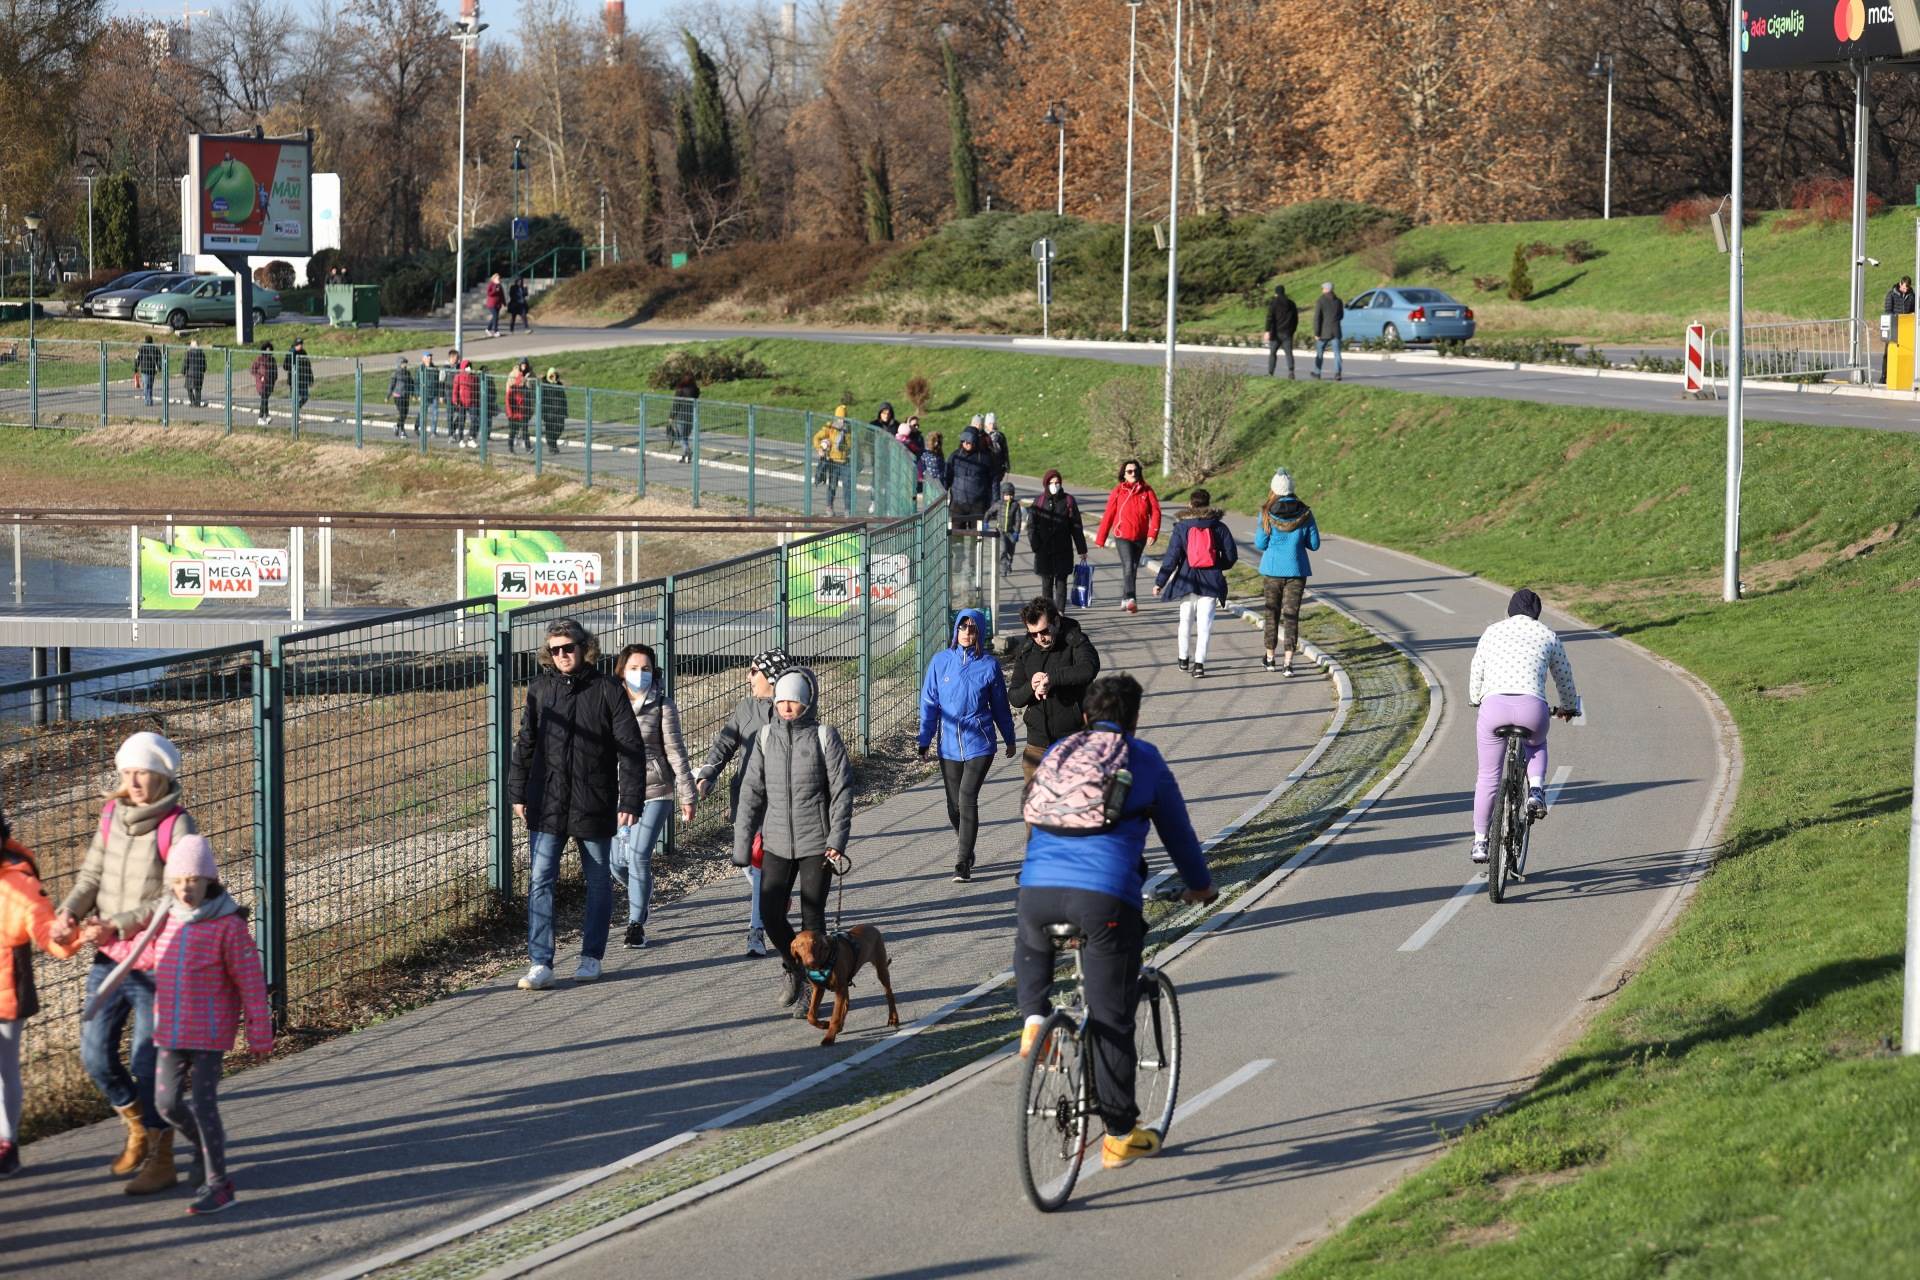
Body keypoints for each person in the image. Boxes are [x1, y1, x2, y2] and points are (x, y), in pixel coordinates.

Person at [1013, 674, 1216, 1169]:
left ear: (1086, 716)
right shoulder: (1142, 757)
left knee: (1033, 942)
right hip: (1103, 898)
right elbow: (1179, 834)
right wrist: (1200, 886)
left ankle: (1034, 1021)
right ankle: (1120, 1135)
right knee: (1111, 1017)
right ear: (1134, 719)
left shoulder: (1058, 751)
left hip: (1035, 890)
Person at [49, 731, 198, 1194]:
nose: (132, 781)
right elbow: (92, 874)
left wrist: (116, 923)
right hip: (110, 958)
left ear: (163, 775)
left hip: (157, 959)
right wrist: (69, 912)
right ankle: (137, 1126)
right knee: (94, 1054)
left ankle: (162, 1157)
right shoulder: (112, 814)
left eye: (142, 773)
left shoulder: (178, 826)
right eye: (127, 772)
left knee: (146, 1061)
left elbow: (174, 895)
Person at [507, 620, 647, 990]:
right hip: (547, 801)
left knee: (598, 881)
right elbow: (526, 743)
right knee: (540, 879)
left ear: (585, 648)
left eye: (568, 647)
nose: (562, 655)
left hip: (594, 801)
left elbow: (631, 748)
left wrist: (631, 799)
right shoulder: (539, 690)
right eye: (555, 649)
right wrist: (517, 792)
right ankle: (540, 962)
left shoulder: (608, 690)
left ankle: (591, 956)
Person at [147, 834, 272, 1214]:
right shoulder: (165, 918)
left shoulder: (228, 926)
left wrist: (259, 1032)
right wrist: (104, 938)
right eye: (178, 881)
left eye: (194, 880)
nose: (186, 889)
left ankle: (220, 1185)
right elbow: (142, 956)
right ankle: (204, 1147)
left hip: (209, 1034)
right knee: (166, 1104)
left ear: (209, 881)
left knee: (204, 1106)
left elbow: (250, 982)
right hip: (170, 1031)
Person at [731, 667, 854, 1010]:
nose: (786, 707)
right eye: (781, 700)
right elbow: (751, 792)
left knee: (813, 920)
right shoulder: (765, 738)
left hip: (817, 842)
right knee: (770, 913)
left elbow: (842, 790)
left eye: (794, 701)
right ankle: (794, 968)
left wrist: (837, 839)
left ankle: (813, 990)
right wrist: (742, 843)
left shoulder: (824, 737)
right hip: (776, 842)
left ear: (807, 702)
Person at [1466, 589, 1581, 866]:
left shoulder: (1492, 632)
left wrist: (1475, 698)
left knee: (1488, 776)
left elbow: (1477, 669)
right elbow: (1564, 677)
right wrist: (1568, 707)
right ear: (1537, 613)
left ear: (1509, 610)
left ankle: (1480, 842)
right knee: (1536, 743)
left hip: (1494, 708)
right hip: (1532, 709)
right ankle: (1536, 791)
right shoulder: (1548, 635)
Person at [1, 804, 83, 1179]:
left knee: (3, 1069)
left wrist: (63, 938)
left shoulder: (18, 881)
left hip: (6, 988)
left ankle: (7, 1143)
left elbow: (42, 924)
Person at [696, 649, 795, 956]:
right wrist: (709, 773)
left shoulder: (791, 710)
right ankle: (774, 900)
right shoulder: (746, 708)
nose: (748, 677)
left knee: (762, 866)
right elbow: (724, 743)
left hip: (780, 803)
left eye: (754, 671)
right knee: (750, 866)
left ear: (772, 677)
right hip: (746, 799)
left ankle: (756, 931)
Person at [917, 609, 1018, 882]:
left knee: (967, 796)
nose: (966, 633)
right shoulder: (940, 662)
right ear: (956, 630)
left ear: (979, 632)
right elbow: (929, 704)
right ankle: (967, 844)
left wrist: (1009, 737)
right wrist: (924, 739)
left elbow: (1000, 706)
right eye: (963, 627)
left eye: (972, 628)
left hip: (980, 743)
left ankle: (962, 862)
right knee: (954, 807)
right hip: (948, 744)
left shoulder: (989, 665)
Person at [611, 645, 696, 949]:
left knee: (638, 856)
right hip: (618, 794)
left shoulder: (662, 704)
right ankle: (643, 890)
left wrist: (687, 793)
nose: (640, 674)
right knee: (617, 864)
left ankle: (635, 924)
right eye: (634, 668)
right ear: (622, 671)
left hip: (656, 791)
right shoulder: (609, 702)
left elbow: (676, 751)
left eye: (646, 668)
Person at [1007, 597, 1101, 805]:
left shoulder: (1074, 639)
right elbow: (1014, 697)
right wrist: (1031, 686)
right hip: (1037, 745)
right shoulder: (1027, 649)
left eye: (1044, 631)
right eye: (1033, 634)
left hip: (1072, 742)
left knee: (1074, 810)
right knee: (1036, 811)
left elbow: (1089, 668)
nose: (1040, 638)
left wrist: (1053, 679)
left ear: (1056, 621)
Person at [1153, 487, 1238, 678]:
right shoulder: (1219, 527)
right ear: (1208, 505)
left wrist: (1160, 582)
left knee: (1185, 621)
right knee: (1204, 625)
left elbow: (1172, 557)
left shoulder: (1182, 527)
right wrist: (1218, 565)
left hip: (1186, 581)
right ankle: (1199, 665)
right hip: (1211, 581)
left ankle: (1183, 658)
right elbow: (1231, 555)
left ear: (1190, 505)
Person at [1253, 469, 1320, 675]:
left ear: (1274, 489)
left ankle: (1270, 658)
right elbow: (1314, 544)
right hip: (1296, 571)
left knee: (1271, 613)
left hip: (1272, 570)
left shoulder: (1266, 512)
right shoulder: (1306, 513)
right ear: (1292, 488)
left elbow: (1260, 543)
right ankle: (1288, 663)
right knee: (1291, 615)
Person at [1093, 459, 1162, 613]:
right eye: (1129, 471)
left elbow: (1156, 512)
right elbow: (1109, 514)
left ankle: (1125, 599)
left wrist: (1153, 533)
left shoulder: (1147, 490)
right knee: (1129, 565)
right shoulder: (1118, 491)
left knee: (1132, 567)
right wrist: (1101, 538)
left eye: (1136, 471)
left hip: (1140, 536)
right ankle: (1131, 598)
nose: (1133, 474)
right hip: (1122, 535)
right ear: (1124, 474)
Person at [1028, 469, 1088, 612]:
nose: (1054, 485)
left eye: (1057, 483)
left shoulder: (1068, 501)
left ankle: (1060, 613)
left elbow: (1076, 526)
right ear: (1046, 484)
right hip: (1044, 550)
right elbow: (1031, 526)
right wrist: (1036, 546)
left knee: (1061, 583)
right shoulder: (1039, 501)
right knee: (1046, 584)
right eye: (1051, 483)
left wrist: (1082, 549)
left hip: (1063, 550)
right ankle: (1048, 614)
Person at [942, 426, 997, 527]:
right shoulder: (955, 456)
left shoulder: (985, 458)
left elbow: (993, 481)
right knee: (956, 534)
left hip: (978, 505)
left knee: (977, 535)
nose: (966, 443)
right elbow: (947, 477)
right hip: (957, 504)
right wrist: (941, 496)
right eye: (964, 441)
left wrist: (995, 502)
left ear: (975, 441)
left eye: (969, 441)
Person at [812, 407, 855, 516]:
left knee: (848, 486)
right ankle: (829, 507)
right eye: (839, 418)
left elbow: (854, 444)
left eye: (843, 418)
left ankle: (848, 510)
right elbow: (816, 437)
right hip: (833, 462)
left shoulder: (850, 429)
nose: (841, 421)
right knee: (832, 485)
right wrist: (819, 448)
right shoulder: (830, 427)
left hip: (846, 462)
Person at [1263, 283, 1300, 379]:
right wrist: (1292, 330)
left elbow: (1269, 317)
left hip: (1275, 332)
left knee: (1272, 353)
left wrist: (1267, 331)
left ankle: (1270, 372)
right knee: (1288, 353)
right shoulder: (1291, 304)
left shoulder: (1273, 303)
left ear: (1276, 293)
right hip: (1287, 332)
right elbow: (1295, 319)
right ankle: (1291, 372)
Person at [1884, 275, 1915, 384]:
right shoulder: (1891, 294)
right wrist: (1897, 318)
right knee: (1888, 352)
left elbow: (1913, 309)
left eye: (1907, 288)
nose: (1906, 290)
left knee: (1905, 352)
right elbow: (1888, 311)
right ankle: (1884, 376)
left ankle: (1904, 376)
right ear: (1900, 284)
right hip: (1894, 327)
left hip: (1906, 329)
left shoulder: (1912, 295)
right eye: (1904, 287)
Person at [1312, 281, 1344, 382]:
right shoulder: (1338, 301)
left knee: (1320, 352)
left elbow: (1317, 318)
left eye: (1323, 288)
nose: (1322, 290)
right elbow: (1341, 315)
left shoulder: (1320, 301)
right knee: (1337, 353)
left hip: (1323, 332)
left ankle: (1317, 372)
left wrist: (1316, 333)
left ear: (1326, 289)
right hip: (1336, 330)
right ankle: (1337, 373)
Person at [994, 481, 1024, 575]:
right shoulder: (999, 504)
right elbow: (989, 512)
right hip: (1001, 531)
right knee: (1004, 549)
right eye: (1007, 495)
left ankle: (1009, 563)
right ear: (1002, 495)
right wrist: (986, 521)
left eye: (1011, 495)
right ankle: (1003, 567)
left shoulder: (1015, 505)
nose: (1009, 497)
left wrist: (1016, 532)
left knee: (1011, 550)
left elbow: (1018, 519)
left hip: (1012, 532)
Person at [505, 360, 533, 454]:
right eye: (520, 381)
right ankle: (510, 447)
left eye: (523, 381)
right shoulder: (512, 390)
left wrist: (528, 412)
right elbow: (508, 402)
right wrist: (510, 414)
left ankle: (528, 448)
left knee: (525, 431)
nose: (522, 383)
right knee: (513, 431)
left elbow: (528, 402)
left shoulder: (525, 390)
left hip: (523, 414)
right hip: (514, 414)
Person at [450, 357, 478, 448]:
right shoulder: (458, 377)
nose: (469, 368)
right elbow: (455, 390)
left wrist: (477, 401)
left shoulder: (474, 377)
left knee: (475, 420)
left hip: (472, 402)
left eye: (470, 366)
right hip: (461, 402)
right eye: (467, 367)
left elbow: (476, 389)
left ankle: (471, 438)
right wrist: (455, 400)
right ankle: (461, 439)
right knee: (461, 421)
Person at [671, 373, 699, 463]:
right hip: (690, 416)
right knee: (685, 436)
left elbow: (676, 404)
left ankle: (687, 451)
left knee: (681, 437)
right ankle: (685, 456)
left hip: (681, 416)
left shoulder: (680, 390)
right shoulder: (695, 390)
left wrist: (672, 416)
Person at [283, 337, 313, 416]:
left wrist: (310, 378)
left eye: (301, 344)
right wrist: (293, 367)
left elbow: (308, 366)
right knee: (294, 398)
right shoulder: (291, 353)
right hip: (293, 379)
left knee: (305, 397)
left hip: (303, 379)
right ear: (295, 345)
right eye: (299, 344)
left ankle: (297, 408)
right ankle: (295, 415)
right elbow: (285, 366)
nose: (301, 346)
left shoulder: (303, 352)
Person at [541, 367, 568, 451]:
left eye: (555, 375)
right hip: (548, 412)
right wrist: (543, 412)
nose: (553, 377)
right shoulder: (544, 385)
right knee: (550, 430)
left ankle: (552, 443)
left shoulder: (559, 384)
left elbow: (563, 399)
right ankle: (552, 447)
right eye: (552, 375)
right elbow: (542, 400)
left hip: (559, 412)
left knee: (560, 428)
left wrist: (565, 411)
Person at [981, 412, 1011, 486]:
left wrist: (1007, 464)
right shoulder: (982, 436)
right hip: (985, 467)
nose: (992, 426)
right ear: (986, 425)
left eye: (993, 423)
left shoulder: (1000, 436)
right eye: (990, 423)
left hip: (998, 467)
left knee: (995, 487)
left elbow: (1005, 451)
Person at [250, 341, 276, 425]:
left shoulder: (272, 360)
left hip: (270, 383)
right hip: (261, 384)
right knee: (264, 399)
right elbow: (253, 370)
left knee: (265, 400)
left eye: (270, 350)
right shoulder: (259, 359)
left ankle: (267, 417)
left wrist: (274, 380)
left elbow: (275, 372)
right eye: (267, 350)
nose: (268, 352)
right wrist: (260, 377)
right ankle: (260, 417)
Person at [418, 351, 443, 438]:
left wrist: (440, 394)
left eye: (430, 357)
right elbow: (417, 382)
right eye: (428, 356)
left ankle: (433, 431)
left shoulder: (435, 369)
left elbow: (439, 383)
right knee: (423, 414)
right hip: (424, 394)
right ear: (423, 358)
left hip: (434, 394)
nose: (430, 358)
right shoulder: (421, 369)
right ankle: (422, 430)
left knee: (435, 414)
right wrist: (418, 394)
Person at [388, 355, 414, 437]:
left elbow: (411, 384)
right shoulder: (395, 373)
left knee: (405, 413)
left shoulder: (408, 373)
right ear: (399, 364)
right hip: (398, 396)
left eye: (406, 363)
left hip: (406, 395)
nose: (405, 365)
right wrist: (388, 396)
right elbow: (391, 385)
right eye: (403, 363)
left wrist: (413, 394)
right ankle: (402, 431)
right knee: (402, 412)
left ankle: (397, 426)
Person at [918, 430, 946, 506]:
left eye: (938, 441)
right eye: (935, 441)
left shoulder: (939, 454)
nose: (937, 444)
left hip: (939, 482)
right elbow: (922, 467)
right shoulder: (925, 454)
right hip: (929, 482)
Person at [133, 336, 162, 407]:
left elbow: (137, 358)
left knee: (146, 386)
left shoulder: (141, 348)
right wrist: (159, 367)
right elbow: (159, 359)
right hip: (152, 369)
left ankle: (147, 400)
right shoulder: (156, 349)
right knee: (150, 386)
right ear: (152, 341)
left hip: (144, 370)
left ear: (145, 340)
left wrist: (136, 367)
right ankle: (150, 400)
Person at [182, 339, 207, 408]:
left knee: (189, 388)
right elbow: (204, 363)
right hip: (199, 374)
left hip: (190, 374)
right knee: (198, 389)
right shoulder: (202, 353)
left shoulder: (188, 353)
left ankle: (192, 401)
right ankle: (197, 403)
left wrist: (183, 371)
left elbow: (185, 363)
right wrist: (203, 370)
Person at [484, 273, 505, 337]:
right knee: (495, 316)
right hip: (491, 304)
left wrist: (504, 302)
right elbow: (489, 293)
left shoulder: (499, 285)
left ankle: (488, 329)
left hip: (498, 304)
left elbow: (502, 294)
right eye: (497, 278)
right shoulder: (491, 284)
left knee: (495, 317)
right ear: (494, 279)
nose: (499, 279)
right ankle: (496, 331)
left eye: (499, 278)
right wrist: (495, 290)